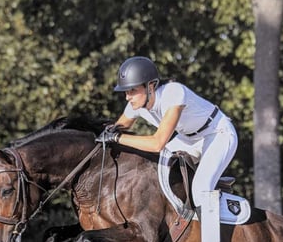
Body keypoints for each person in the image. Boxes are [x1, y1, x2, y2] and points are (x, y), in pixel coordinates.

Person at [96, 56, 238, 212]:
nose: (127, 97)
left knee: (200, 191)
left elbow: (157, 143)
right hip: (188, 138)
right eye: (126, 91)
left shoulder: (173, 92)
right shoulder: (135, 106)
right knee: (151, 169)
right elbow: (117, 128)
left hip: (218, 133)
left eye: (133, 90)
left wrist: (117, 138)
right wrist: (104, 133)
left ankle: (213, 235)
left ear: (151, 86)